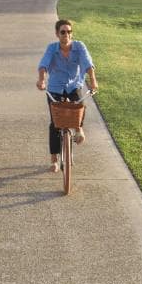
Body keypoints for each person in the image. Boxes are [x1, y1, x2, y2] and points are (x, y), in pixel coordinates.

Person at [36, 19, 98, 172]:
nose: (66, 35)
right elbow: (43, 65)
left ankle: (78, 129)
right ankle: (54, 160)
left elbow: (88, 64)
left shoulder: (79, 47)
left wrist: (93, 81)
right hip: (55, 87)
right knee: (55, 123)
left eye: (69, 32)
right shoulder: (52, 48)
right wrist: (41, 80)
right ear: (57, 34)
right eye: (63, 32)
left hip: (73, 85)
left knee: (79, 106)